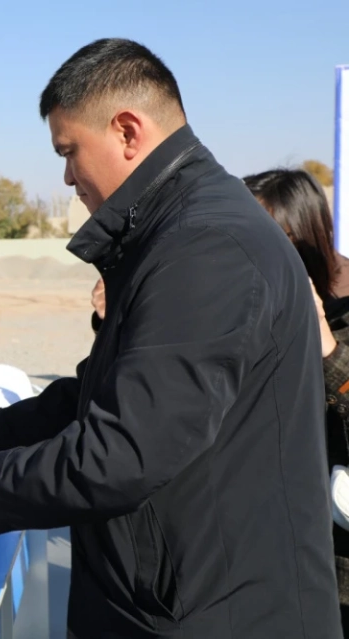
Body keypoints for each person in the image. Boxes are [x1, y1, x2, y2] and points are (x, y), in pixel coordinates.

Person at [0, 38, 341, 638]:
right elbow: (104, 391)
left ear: (128, 131)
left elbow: (121, 452)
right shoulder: (178, 232)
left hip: (215, 614)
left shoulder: (206, 250)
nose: (68, 175)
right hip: (179, 598)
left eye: (70, 151)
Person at [242, 168, 349, 635]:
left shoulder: (339, 310)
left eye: (273, 239)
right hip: (262, 556)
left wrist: (326, 347)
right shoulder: (250, 309)